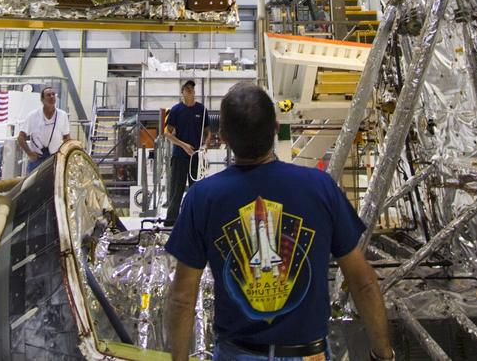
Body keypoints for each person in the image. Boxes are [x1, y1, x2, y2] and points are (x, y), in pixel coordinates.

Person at [163, 83, 395, 361]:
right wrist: (383, 354)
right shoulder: (320, 187)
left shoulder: (202, 198)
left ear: (223, 137)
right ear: (275, 128)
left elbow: (182, 297)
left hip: (238, 353)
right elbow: (364, 282)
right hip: (310, 353)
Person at [163, 79, 210, 226]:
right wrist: (183, 145)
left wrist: (205, 145)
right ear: (182, 92)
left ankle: (197, 221)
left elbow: (208, 132)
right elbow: (167, 133)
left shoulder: (201, 110)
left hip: (196, 157)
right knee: (176, 191)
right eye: (187, 88)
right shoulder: (176, 110)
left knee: (197, 190)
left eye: (192, 89)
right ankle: (171, 222)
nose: (190, 91)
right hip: (179, 157)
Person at [17, 86, 71, 172]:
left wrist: (64, 153)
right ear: (42, 99)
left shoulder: (62, 115)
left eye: (53, 94)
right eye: (48, 95)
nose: (52, 97)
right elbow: (20, 137)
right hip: (37, 159)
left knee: (54, 184)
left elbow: (67, 137)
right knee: (33, 184)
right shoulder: (33, 116)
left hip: (55, 158)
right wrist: (29, 153)